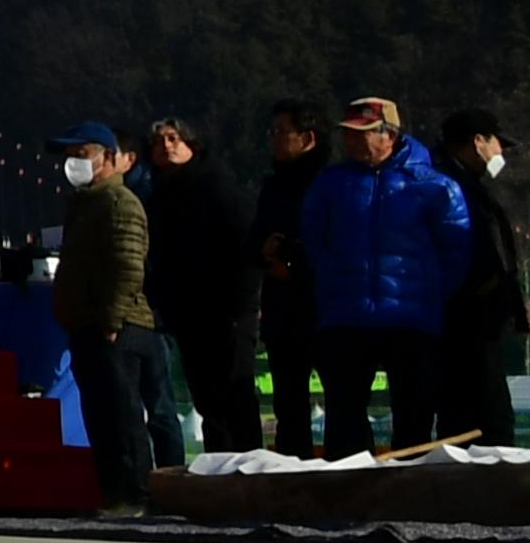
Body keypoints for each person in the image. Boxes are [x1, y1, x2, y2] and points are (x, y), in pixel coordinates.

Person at [304, 97, 473, 459]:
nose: (351, 140)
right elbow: (314, 241)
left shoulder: (435, 187)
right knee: (344, 412)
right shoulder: (331, 185)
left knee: (413, 411)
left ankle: (409, 491)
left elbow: (456, 251)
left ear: (390, 135)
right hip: (346, 315)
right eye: (348, 133)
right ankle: (347, 491)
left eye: (362, 133)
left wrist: (430, 294)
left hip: (411, 319)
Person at [52, 122, 173, 509]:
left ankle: (137, 494)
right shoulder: (84, 204)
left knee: (124, 419)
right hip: (88, 325)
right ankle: (114, 494)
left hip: (118, 327)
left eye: (83, 153)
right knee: (102, 418)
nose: (75, 162)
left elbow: (128, 266)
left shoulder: (120, 203)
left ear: (109, 158)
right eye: (71, 155)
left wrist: (113, 319)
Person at [139, 117, 258, 453]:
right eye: (158, 141)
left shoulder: (218, 186)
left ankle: (251, 472)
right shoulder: (159, 196)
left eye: (174, 138)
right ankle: (219, 470)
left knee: (236, 396)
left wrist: (240, 305)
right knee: (207, 402)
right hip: (188, 313)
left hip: (227, 311)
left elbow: (246, 245)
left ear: (192, 144)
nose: (166, 146)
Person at [433, 111, 518, 448]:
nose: (501, 154)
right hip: (467, 317)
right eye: (498, 144)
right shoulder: (448, 185)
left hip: (481, 315)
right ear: (478, 142)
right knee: (484, 415)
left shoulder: (469, 184)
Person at [254, 102, 330, 456]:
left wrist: (296, 263)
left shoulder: (329, 183)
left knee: (341, 397)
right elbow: (253, 236)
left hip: (325, 305)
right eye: (271, 132)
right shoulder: (272, 185)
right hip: (281, 306)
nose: (273, 140)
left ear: (308, 138)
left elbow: (334, 242)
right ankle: (290, 468)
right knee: (288, 401)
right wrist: (262, 249)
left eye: (281, 132)